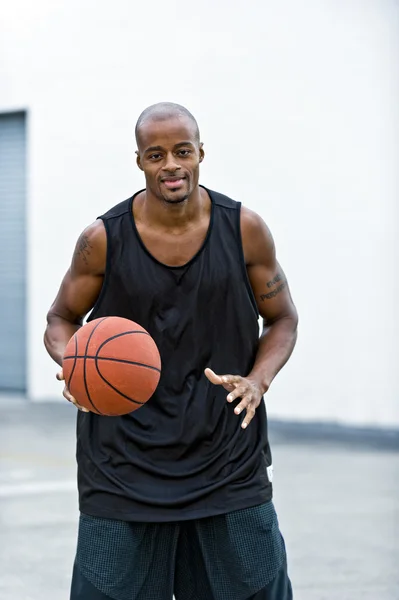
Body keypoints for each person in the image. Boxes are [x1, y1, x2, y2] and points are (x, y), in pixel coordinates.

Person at [44, 102, 298, 600]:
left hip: (227, 458)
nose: (171, 165)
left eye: (182, 151)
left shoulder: (244, 229)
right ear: (139, 161)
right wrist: (73, 365)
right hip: (121, 464)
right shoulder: (101, 240)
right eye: (155, 155)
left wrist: (257, 379)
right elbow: (60, 320)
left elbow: (283, 318)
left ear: (201, 152)